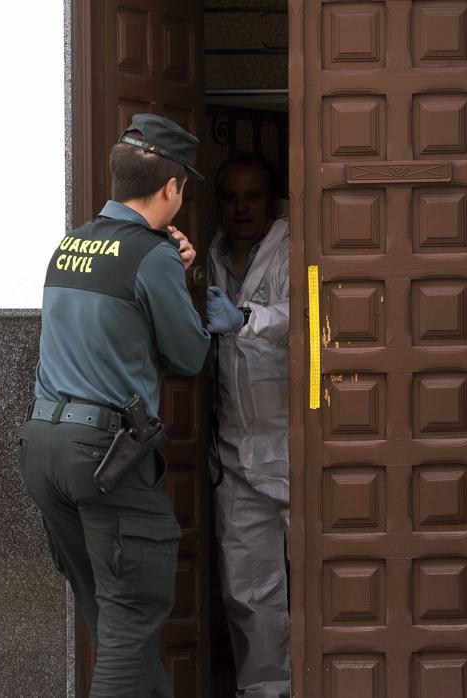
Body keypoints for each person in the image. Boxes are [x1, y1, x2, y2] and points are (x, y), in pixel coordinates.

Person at [18, 114, 245, 698]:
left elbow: (110, 326)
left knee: (116, 621)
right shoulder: (153, 255)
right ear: (172, 187)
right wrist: (195, 295)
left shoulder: (72, 243)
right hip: (104, 457)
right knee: (130, 620)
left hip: (45, 446)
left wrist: (174, 273)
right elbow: (187, 354)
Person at [205, 154, 291, 698]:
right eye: (232, 197)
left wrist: (250, 321)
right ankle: (267, 693)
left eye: (253, 196)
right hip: (236, 453)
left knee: (334, 579)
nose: (241, 207)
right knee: (249, 590)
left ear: (272, 199)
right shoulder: (206, 254)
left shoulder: (296, 245)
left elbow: (316, 310)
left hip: (299, 446)